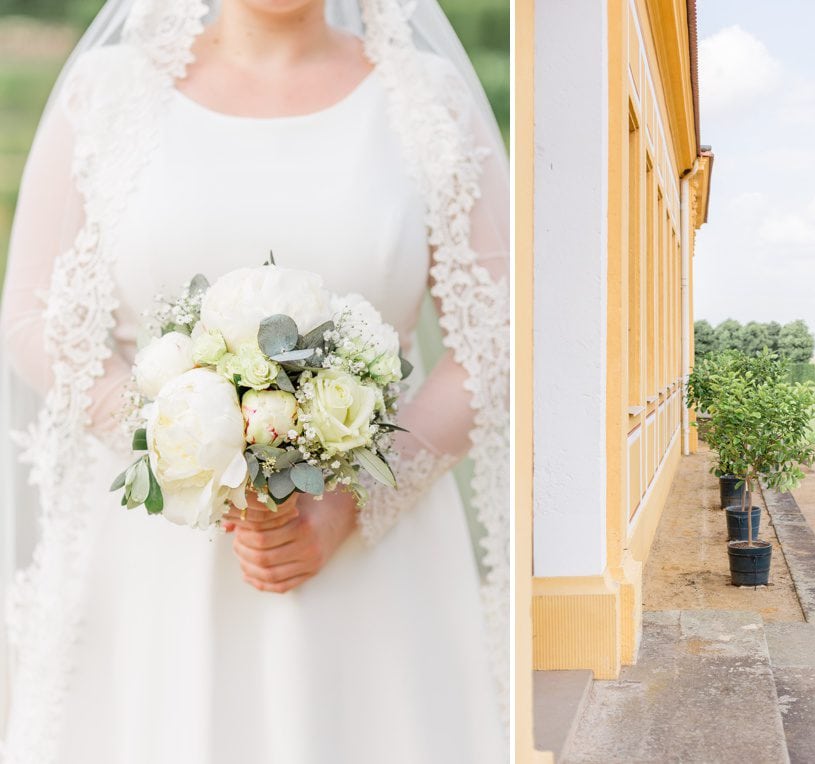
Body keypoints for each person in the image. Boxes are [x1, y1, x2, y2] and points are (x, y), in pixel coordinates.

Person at [0, 1, 509, 762]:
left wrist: (353, 501)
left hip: (373, 568)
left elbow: (491, 339)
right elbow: (36, 318)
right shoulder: (110, 93)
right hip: (155, 565)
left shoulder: (426, 102)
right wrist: (191, 459)